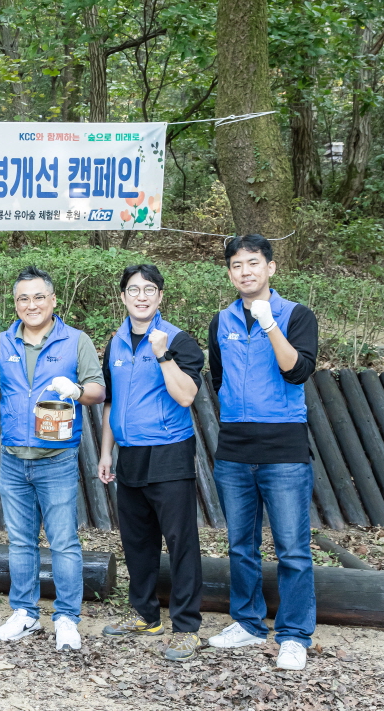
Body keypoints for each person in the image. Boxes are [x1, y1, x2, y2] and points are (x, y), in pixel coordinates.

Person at [0, 266, 105, 652]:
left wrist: (77, 389)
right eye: (22, 298)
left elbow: (98, 391)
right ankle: (25, 613)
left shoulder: (75, 340)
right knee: (20, 542)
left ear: (52, 300)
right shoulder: (0, 342)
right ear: (16, 304)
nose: (30, 305)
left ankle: (66, 617)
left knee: (64, 542)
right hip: (13, 458)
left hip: (57, 459)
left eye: (38, 297)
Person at [205, 234, 318, 671]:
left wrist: (270, 324)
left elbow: (297, 372)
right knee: (241, 544)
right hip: (234, 447)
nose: (245, 271)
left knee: (292, 547)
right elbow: (219, 380)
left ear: (270, 267)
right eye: (237, 265)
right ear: (230, 272)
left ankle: (294, 635)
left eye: (254, 263)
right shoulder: (221, 320)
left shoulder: (296, 315)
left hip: (284, 448)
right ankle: (249, 623)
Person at [97, 264, 205, 661]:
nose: (141, 296)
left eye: (149, 290)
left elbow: (186, 396)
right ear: (123, 296)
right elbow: (110, 402)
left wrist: (162, 355)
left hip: (169, 451)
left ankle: (187, 627)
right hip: (129, 453)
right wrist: (106, 451)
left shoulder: (179, 340)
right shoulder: (116, 343)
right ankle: (145, 615)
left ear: (160, 296)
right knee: (137, 541)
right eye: (133, 290)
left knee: (180, 542)